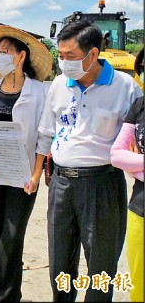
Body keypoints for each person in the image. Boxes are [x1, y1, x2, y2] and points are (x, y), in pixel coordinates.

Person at [36, 21, 142, 302]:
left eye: (70, 56)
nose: (63, 62)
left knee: (101, 266)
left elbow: (138, 138)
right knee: (60, 262)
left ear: (93, 54)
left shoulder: (125, 87)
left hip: (102, 186)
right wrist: (37, 174)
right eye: (60, 55)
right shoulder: (59, 85)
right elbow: (48, 131)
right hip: (60, 184)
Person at [0, 25, 52, 301]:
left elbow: (44, 136)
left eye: (6, 51)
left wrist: (37, 173)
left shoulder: (40, 91)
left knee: (12, 238)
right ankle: (10, 295)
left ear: (21, 56)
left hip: (23, 176)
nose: (0, 56)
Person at [110, 50, 144, 303]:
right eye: (142, 65)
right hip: (140, 208)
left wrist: (136, 165)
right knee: (140, 284)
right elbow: (117, 156)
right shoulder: (139, 106)